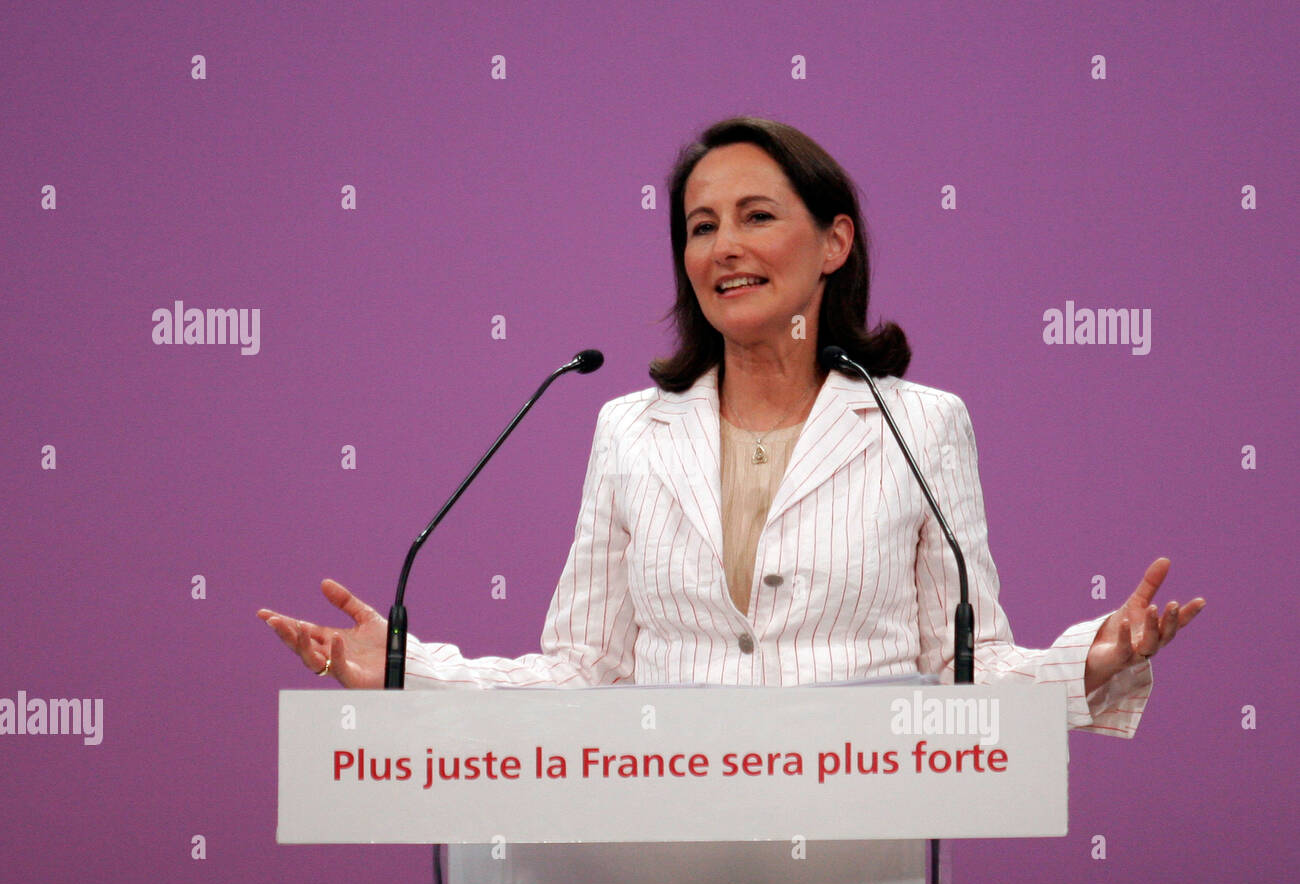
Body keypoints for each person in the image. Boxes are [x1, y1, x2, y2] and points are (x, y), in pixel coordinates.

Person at [258, 117, 1204, 736]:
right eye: (701, 225)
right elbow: (586, 672)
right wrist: (404, 673)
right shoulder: (631, 430)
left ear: (833, 242)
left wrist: (1094, 659)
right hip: (669, 839)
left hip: (863, 837)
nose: (725, 247)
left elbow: (964, 666)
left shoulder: (921, 425)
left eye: (757, 215)